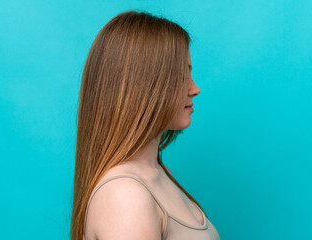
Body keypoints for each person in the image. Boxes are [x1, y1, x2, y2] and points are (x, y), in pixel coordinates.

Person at [71, 10, 221, 240]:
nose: (194, 88)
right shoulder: (126, 196)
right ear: (144, 86)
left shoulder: (159, 175)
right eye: (182, 76)